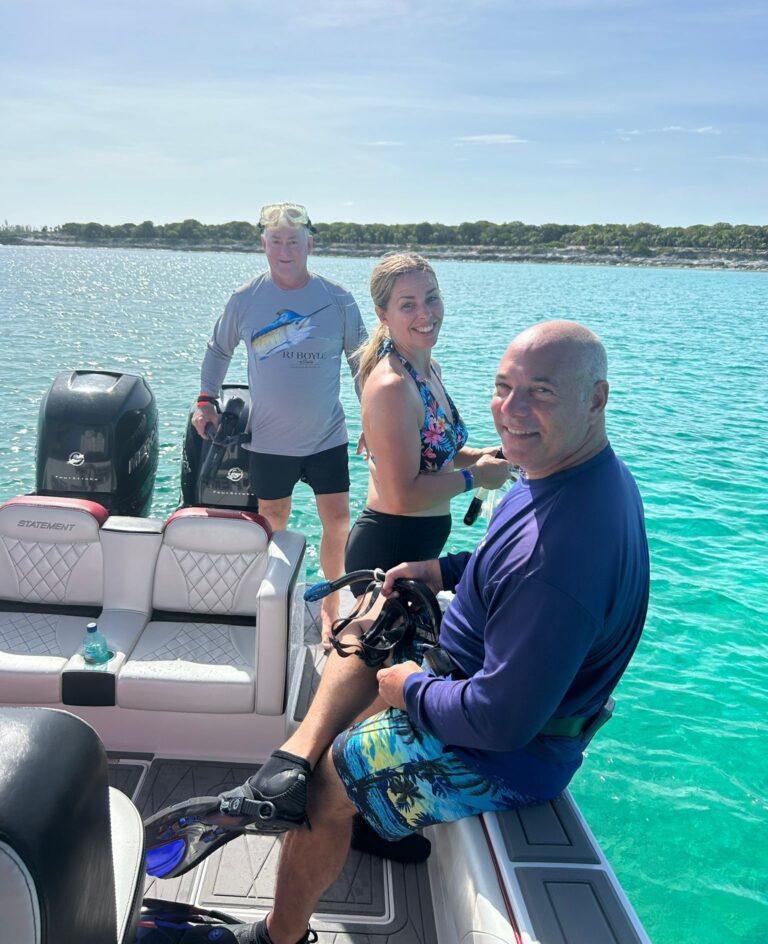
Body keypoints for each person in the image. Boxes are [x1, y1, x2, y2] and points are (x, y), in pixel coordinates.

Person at [146, 320, 650, 944]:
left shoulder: (563, 557)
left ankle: (278, 932)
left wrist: (408, 688)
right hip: (466, 677)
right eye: (503, 387)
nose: (512, 410)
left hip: (504, 757)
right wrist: (441, 570)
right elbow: (501, 561)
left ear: (596, 399)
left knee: (327, 782)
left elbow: (500, 721)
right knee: (374, 616)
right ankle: (296, 767)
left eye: (541, 392)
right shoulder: (567, 472)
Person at [194, 202, 367, 649]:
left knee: (338, 521)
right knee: (272, 521)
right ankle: (273, 604)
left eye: (293, 241)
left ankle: (331, 609)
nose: (285, 250)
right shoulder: (246, 298)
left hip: (327, 436)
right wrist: (205, 400)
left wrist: (374, 418)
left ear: (310, 243)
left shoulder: (338, 299)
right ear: (264, 245)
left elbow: (362, 365)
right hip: (269, 440)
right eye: (276, 241)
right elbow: (218, 349)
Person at [344, 253, 510, 594]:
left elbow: (437, 452)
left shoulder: (430, 369)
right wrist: (476, 476)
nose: (425, 313)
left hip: (419, 549)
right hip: (388, 551)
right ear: (383, 315)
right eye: (408, 305)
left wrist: (486, 455)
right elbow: (401, 496)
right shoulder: (392, 388)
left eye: (431, 298)